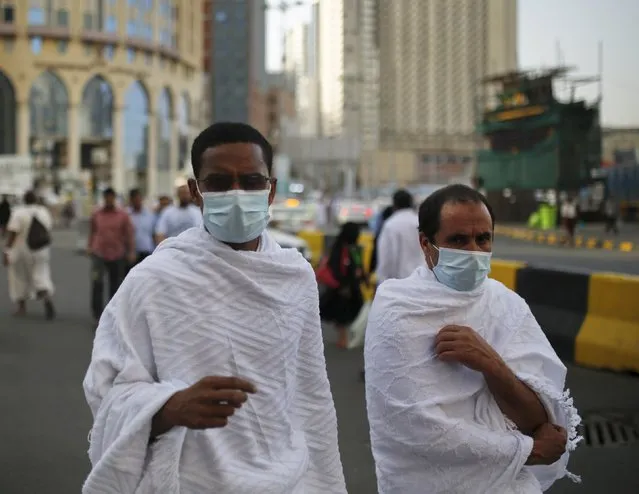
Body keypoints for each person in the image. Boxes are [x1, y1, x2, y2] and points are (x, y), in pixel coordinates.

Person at [82, 122, 346, 494]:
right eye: (220, 182)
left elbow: (309, 393)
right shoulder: (154, 278)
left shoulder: (295, 276)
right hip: (191, 481)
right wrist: (169, 407)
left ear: (270, 190)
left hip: (290, 478)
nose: (237, 194)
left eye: (252, 181)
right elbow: (105, 389)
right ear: (195, 191)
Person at [365, 184, 581, 494]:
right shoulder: (396, 306)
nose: (473, 251)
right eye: (458, 240)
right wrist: (526, 451)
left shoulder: (507, 306)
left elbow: (537, 419)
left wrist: (490, 364)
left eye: (483, 239)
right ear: (426, 244)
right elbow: (414, 428)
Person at [2, 190, 55, 319]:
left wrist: (7, 251)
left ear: (24, 200)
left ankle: (21, 307)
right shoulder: (43, 212)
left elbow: (13, 233)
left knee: (18, 278)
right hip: (41, 249)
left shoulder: (18, 213)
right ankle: (46, 298)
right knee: (41, 275)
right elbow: (48, 228)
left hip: (21, 250)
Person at [87, 187, 135, 321]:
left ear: (114, 198)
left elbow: (129, 234)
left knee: (115, 284)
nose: (109, 199)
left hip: (117, 253)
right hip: (99, 253)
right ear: (104, 198)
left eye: (111, 197)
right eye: (106, 197)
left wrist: (131, 251)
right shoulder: (97, 214)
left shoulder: (123, 215)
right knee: (97, 283)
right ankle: (97, 313)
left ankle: (112, 312)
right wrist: (89, 246)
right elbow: (92, 231)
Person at [319, 221, 365, 348]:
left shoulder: (343, 247)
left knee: (341, 312)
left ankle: (343, 337)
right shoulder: (346, 248)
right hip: (344, 287)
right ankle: (343, 338)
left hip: (345, 286)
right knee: (343, 313)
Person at [375, 189, 424, 284]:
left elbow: (386, 258)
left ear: (394, 205)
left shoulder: (391, 225)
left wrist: (382, 282)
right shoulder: (419, 222)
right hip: (422, 281)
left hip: (399, 284)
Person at [127, 188, 156, 267]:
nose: (137, 201)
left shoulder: (149, 214)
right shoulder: (127, 215)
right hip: (131, 253)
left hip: (147, 251)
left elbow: (154, 233)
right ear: (131, 200)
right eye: (134, 199)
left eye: (138, 198)